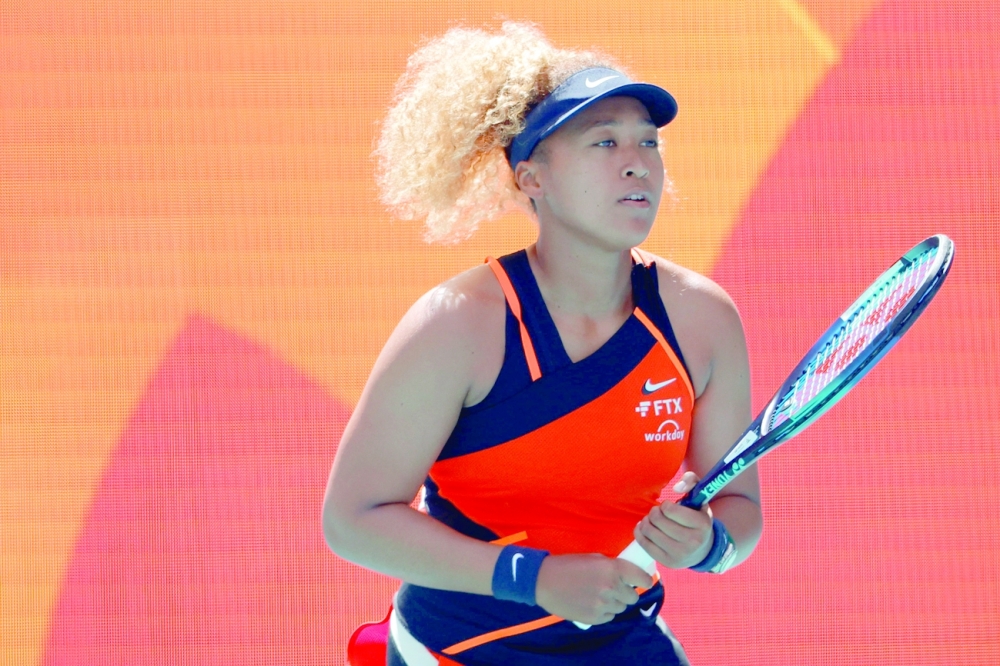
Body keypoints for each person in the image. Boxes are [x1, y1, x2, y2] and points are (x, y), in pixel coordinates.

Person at [323, 22, 762, 666]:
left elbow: (740, 508)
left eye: (648, 141)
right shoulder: (457, 323)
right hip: (455, 648)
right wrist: (535, 579)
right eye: (604, 141)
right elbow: (353, 520)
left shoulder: (702, 320)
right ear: (532, 178)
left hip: (623, 642)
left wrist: (708, 546)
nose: (638, 160)